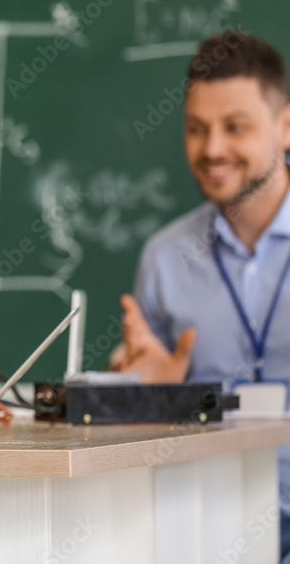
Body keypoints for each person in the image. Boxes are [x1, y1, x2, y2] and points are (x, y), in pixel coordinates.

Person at [112, 30, 290, 558]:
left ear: (285, 126)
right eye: (196, 129)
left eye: (235, 127)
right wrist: (140, 396)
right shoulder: (166, 257)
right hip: (205, 527)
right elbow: (137, 422)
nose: (212, 149)